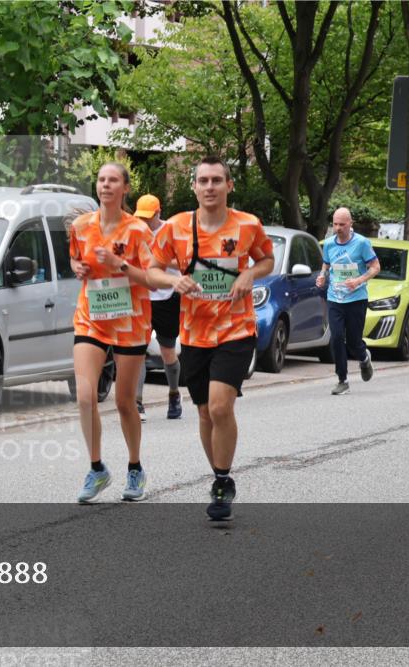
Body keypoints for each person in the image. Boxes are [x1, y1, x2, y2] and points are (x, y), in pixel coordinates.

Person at [149, 156, 274, 520]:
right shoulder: (175, 227)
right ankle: (220, 475)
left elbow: (266, 260)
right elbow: (152, 270)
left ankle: (222, 481)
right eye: (203, 181)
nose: (209, 187)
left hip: (236, 328)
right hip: (194, 333)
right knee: (204, 412)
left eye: (216, 180)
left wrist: (250, 275)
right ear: (194, 187)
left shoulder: (248, 225)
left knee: (221, 406)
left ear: (229, 185)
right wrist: (174, 281)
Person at [70, 163, 165, 504]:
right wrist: (77, 267)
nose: (106, 185)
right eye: (101, 179)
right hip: (92, 317)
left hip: (130, 320)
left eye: (113, 180)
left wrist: (119, 264)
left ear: (125, 188)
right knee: (85, 395)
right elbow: (75, 261)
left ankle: (135, 467)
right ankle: (96, 468)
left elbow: (152, 278)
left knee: (124, 401)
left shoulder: (138, 231)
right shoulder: (81, 227)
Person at [315, 208, 380, 395]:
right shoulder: (328, 244)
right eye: (335, 224)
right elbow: (326, 263)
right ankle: (342, 380)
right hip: (335, 298)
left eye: (342, 224)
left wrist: (358, 280)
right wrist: (322, 276)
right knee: (336, 338)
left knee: (353, 342)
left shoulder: (361, 243)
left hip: (356, 299)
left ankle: (363, 357)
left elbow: (375, 267)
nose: (338, 228)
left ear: (350, 223)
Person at [133, 194, 183, 421]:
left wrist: (157, 260)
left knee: (167, 351)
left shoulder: (171, 231)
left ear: (158, 213)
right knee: (138, 350)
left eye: (148, 217)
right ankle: (137, 403)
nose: (144, 222)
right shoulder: (135, 230)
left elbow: (183, 261)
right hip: (142, 296)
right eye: (140, 217)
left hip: (167, 296)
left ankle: (173, 393)